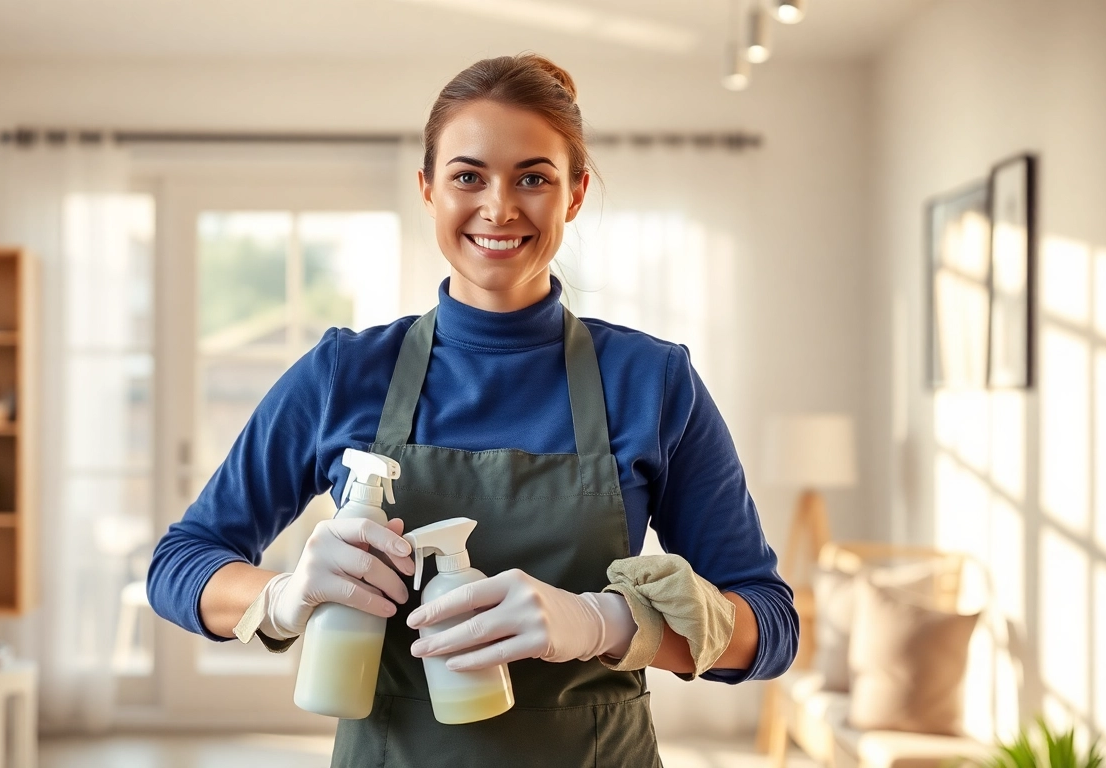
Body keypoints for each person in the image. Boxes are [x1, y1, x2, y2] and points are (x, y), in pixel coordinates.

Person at [149, 53, 798, 767]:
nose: (499, 207)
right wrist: (285, 594)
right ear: (427, 189)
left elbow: (768, 625)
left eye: (533, 178)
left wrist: (605, 621)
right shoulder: (345, 374)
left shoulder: (652, 381)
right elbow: (180, 565)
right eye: (467, 176)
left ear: (575, 194)